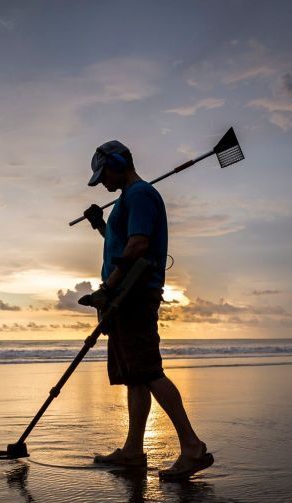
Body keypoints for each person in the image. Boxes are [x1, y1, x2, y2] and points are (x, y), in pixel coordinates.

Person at [79, 140, 213, 479]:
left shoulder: (140, 194)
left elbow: (138, 245)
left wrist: (107, 289)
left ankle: (193, 448)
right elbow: (122, 242)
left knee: (149, 371)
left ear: (119, 162)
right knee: (135, 377)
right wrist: (100, 225)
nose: (103, 182)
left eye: (104, 174)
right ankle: (133, 452)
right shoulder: (128, 199)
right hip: (123, 296)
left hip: (132, 295)